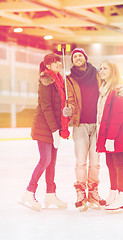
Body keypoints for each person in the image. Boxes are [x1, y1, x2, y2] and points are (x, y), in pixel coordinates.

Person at [63, 48, 123, 211]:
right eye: (74, 56)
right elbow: (70, 100)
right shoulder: (70, 79)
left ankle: (93, 191)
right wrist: (69, 110)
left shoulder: (99, 74)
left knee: (96, 162)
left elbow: (118, 82)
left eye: (80, 55)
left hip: (99, 125)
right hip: (80, 124)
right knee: (80, 161)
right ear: (73, 60)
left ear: (85, 58)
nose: (77, 58)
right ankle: (80, 191)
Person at [21, 53, 70, 211]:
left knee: (52, 163)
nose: (58, 63)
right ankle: (29, 191)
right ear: (48, 65)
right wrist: (55, 131)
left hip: (55, 127)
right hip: (45, 127)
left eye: (59, 61)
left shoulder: (59, 81)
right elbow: (47, 107)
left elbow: (59, 106)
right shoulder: (46, 81)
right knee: (45, 160)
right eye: (55, 62)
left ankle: (50, 194)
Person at [96, 60, 123, 212]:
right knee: (110, 164)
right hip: (107, 134)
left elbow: (117, 116)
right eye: (101, 68)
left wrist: (111, 138)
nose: (101, 70)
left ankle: (121, 198)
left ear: (113, 71)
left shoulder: (118, 89)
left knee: (119, 164)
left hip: (117, 134)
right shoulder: (104, 89)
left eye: (105, 68)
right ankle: (113, 193)